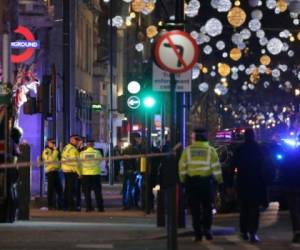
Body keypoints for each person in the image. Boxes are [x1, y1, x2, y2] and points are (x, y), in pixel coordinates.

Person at [179, 128, 223, 242]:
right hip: (206, 183)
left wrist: (183, 180)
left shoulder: (187, 151)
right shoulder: (210, 150)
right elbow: (216, 168)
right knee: (207, 208)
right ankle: (207, 230)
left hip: (192, 183)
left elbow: (182, 167)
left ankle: (198, 233)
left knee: (195, 210)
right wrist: (219, 181)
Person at [230, 128, 266, 243]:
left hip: (243, 182)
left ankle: (244, 232)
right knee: (254, 209)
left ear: (244, 136)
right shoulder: (259, 149)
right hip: (256, 183)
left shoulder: (239, 149)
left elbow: (232, 166)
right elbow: (265, 166)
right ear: (254, 136)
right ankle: (253, 232)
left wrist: (230, 183)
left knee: (244, 209)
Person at [279, 136, 300, 243]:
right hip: (293, 185)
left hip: (292, 186)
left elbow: (283, 168)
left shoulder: (291, 154)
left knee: (294, 210)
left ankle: (297, 231)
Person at [122, 132, 145, 209]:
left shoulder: (125, 150)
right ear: (136, 138)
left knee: (126, 188)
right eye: (139, 138)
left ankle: (125, 204)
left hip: (126, 170)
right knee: (135, 188)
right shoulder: (137, 149)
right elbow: (137, 161)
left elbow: (122, 160)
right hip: (134, 171)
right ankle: (134, 203)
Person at [80, 139, 104, 212]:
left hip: (86, 174)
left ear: (87, 145)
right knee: (97, 192)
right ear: (93, 145)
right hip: (95, 174)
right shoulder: (97, 152)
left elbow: (80, 163)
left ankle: (88, 207)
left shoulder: (82, 153)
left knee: (87, 192)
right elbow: (100, 161)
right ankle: (100, 208)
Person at [42, 138, 63, 210]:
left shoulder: (56, 151)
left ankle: (60, 205)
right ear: (48, 143)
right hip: (50, 172)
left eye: (54, 143)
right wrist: (55, 151)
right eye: (52, 143)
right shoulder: (46, 151)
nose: (53, 144)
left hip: (56, 171)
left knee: (60, 189)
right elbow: (51, 160)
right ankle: (50, 205)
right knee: (50, 190)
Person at [61, 135, 81, 211]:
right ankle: (71, 206)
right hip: (72, 171)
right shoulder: (73, 149)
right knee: (71, 190)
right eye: (76, 140)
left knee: (67, 189)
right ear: (71, 140)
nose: (77, 141)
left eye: (78, 140)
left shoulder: (66, 147)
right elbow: (75, 163)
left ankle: (66, 206)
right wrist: (79, 173)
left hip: (66, 170)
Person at [6, 127, 22, 222]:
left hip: (11, 170)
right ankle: (11, 217)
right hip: (11, 171)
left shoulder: (10, 141)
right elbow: (18, 153)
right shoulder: (13, 143)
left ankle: (11, 216)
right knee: (11, 193)